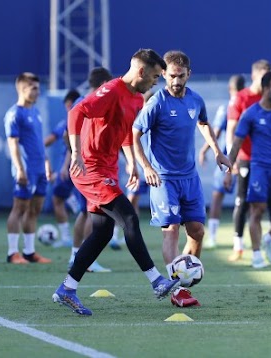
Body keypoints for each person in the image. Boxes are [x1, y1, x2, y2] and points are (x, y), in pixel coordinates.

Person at [52, 49, 180, 316]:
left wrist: (131, 160)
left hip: (107, 168)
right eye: (156, 76)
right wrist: (75, 152)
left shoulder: (136, 99)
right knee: (130, 218)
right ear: (141, 71)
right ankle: (156, 281)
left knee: (102, 232)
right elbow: (77, 112)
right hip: (89, 168)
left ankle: (67, 288)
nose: (157, 82)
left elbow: (123, 132)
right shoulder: (111, 90)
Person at [133, 50, 231, 307]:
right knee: (171, 231)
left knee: (197, 232)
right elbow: (134, 134)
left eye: (181, 76)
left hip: (190, 178)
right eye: (172, 76)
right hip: (164, 179)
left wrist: (218, 152)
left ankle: (184, 279)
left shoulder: (196, 100)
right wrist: (146, 167)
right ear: (163, 74)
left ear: (189, 73)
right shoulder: (157, 102)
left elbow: (203, 123)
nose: (176, 81)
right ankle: (176, 291)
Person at [225, 71, 271, 268]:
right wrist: (228, 169)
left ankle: (269, 238)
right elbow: (237, 143)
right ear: (266, 89)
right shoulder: (250, 114)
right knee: (256, 210)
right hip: (259, 169)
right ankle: (256, 254)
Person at [67, 67, 115, 273]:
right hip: (90, 167)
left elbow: (66, 135)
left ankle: (75, 255)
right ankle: (87, 259)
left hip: (83, 165)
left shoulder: (82, 102)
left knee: (84, 212)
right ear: (105, 83)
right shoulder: (93, 102)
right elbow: (70, 133)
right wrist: (78, 156)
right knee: (93, 212)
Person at [4, 72, 53, 264]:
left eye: (38, 89)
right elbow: (13, 144)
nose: (37, 92)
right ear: (22, 89)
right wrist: (20, 170)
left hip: (40, 168)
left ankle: (29, 252)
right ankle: (12, 252)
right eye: (34, 88)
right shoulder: (14, 114)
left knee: (35, 210)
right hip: (25, 170)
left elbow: (38, 142)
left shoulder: (35, 111)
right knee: (19, 209)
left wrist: (47, 162)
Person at [198, 74, 246, 249]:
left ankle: (213, 236)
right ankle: (239, 238)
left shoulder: (227, 107)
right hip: (246, 158)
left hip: (228, 159)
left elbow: (215, 132)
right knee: (244, 200)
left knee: (218, 197)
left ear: (230, 89)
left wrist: (204, 150)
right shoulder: (249, 105)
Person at [43, 89, 82, 249]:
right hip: (88, 167)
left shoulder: (70, 118)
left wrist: (65, 166)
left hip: (70, 167)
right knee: (90, 206)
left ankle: (68, 238)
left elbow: (52, 141)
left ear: (68, 104)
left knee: (58, 200)